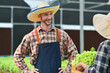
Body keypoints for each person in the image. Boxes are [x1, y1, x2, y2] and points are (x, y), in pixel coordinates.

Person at [14, 1, 78, 73]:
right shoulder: (31, 36)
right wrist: (27, 71)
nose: (49, 17)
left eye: (51, 14)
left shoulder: (62, 35)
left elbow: (74, 53)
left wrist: (67, 70)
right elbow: (17, 56)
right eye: (46, 15)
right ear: (39, 16)